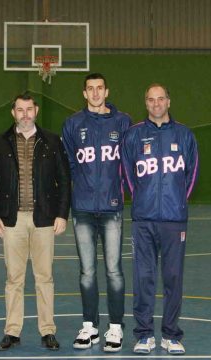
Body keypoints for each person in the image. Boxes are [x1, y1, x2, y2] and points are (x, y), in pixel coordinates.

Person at [0, 93, 71, 351]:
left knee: (45, 277)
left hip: (44, 219)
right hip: (12, 220)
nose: (24, 114)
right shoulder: (0, 142)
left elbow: (64, 180)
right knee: (14, 278)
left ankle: (47, 330)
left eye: (29, 109)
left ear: (36, 111)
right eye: (20, 110)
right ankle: (12, 331)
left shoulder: (52, 141)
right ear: (13, 113)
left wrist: (62, 214)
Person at [121, 84, 199, 355]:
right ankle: (143, 335)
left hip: (174, 220)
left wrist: (179, 202)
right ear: (146, 103)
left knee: (173, 278)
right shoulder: (133, 135)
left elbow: (192, 173)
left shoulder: (184, 135)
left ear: (168, 101)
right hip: (143, 220)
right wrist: (139, 199)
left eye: (160, 99)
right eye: (151, 100)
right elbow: (128, 174)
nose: (156, 104)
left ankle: (171, 335)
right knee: (143, 277)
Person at [61, 73, 132, 352]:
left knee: (114, 271)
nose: (95, 93)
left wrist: (123, 189)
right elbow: (67, 163)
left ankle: (115, 328)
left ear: (107, 91)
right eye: (90, 89)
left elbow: (130, 159)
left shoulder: (123, 122)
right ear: (84, 93)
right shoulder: (72, 124)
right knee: (87, 272)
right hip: (83, 210)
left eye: (99, 88)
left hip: (113, 208)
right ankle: (89, 326)